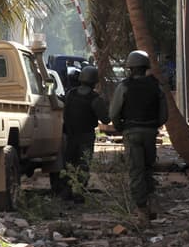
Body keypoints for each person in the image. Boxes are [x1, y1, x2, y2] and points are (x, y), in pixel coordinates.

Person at [109, 50, 168, 224]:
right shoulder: (156, 86)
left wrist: (121, 127)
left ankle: (141, 209)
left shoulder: (124, 86)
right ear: (146, 67)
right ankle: (151, 204)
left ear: (130, 68)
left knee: (136, 171)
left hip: (131, 132)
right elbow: (164, 115)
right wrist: (153, 126)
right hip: (150, 132)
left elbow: (113, 113)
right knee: (148, 168)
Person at [56, 65, 110, 201]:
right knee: (84, 164)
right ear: (94, 81)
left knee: (69, 163)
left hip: (70, 134)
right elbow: (106, 119)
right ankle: (78, 192)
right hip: (86, 135)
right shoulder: (95, 99)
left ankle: (66, 191)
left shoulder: (70, 94)